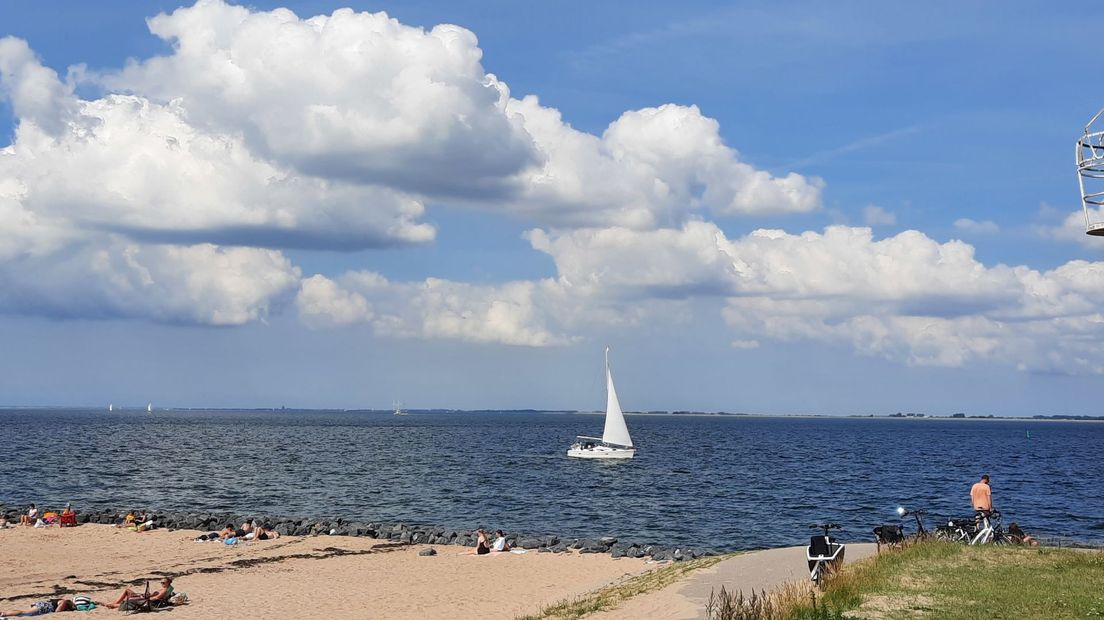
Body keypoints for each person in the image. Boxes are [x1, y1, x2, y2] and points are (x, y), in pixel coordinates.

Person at [104, 576, 174, 610]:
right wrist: (145, 595)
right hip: (145, 598)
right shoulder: (163, 588)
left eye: (163, 582)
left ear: (168, 583)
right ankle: (114, 603)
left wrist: (146, 598)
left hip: (146, 601)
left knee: (127, 594)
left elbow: (156, 598)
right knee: (127, 591)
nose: (162, 583)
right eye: (161, 582)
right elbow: (153, 595)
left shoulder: (164, 590)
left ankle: (113, 605)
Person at [0, 597, 76, 615]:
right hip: (43, 607)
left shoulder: (62, 601)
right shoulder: (63, 602)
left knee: (24, 612)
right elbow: (57, 611)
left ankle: (5, 613)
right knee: (24, 612)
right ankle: (4, 613)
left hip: (42, 605)